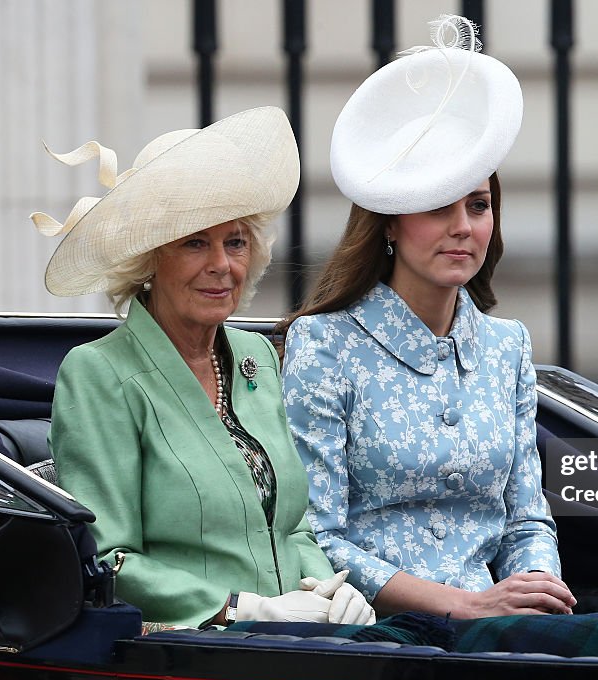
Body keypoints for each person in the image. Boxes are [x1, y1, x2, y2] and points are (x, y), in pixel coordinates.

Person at [279, 15, 575, 620]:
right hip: (377, 633)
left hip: (498, 626)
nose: (463, 227)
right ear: (390, 221)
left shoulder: (506, 346)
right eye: (438, 206)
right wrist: (465, 606)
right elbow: (316, 536)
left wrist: (534, 590)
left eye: (479, 205)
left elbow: (526, 519)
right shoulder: (324, 344)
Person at [33, 107, 374, 629]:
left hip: (298, 643)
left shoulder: (257, 356)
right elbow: (108, 557)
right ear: (148, 259)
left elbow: (293, 527)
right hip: (186, 655)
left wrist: (329, 594)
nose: (222, 264)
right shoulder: (99, 372)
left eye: (234, 241)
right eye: (195, 242)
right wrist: (241, 608)